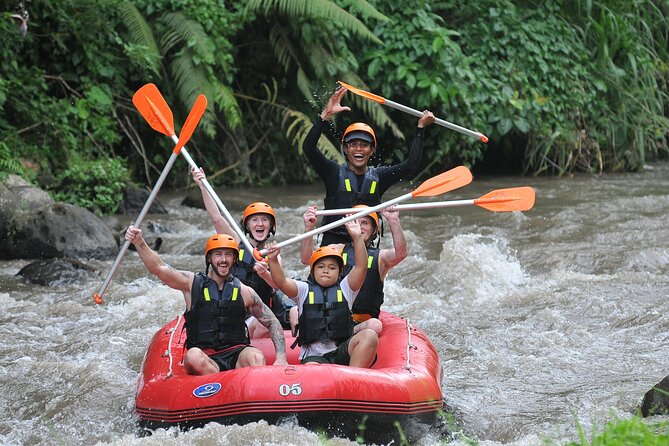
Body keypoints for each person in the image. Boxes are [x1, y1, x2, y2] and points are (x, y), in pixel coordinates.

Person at [125, 226, 288, 375]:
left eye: (228, 254)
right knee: (193, 356)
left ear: (234, 259)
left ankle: (246, 395)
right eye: (218, 254)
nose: (223, 259)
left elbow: (272, 321)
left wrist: (281, 357)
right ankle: (219, 391)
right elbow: (158, 268)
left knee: (256, 356)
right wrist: (140, 242)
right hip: (205, 357)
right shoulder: (191, 283)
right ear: (209, 258)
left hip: (236, 354)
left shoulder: (245, 292)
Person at [303, 86, 435, 245]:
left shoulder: (380, 176)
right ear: (345, 149)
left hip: (366, 244)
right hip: (334, 243)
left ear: (372, 150)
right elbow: (309, 148)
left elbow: (411, 166)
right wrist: (325, 115)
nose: (358, 148)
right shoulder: (333, 172)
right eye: (353, 144)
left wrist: (420, 129)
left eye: (364, 145)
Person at [191, 167, 297, 338]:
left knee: (290, 313)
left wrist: (264, 274)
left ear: (270, 227)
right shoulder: (235, 241)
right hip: (235, 307)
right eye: (255, 220)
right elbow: (216, 217)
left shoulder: (274, 253)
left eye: (264, 220)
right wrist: (203, 186)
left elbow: (277, 285)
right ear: (247, 225)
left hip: (262, 309)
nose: (260, 224)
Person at [265, 218, 378, 368]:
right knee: (313, 368)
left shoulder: (346, 288)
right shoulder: (303, 289)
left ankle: (353, 379)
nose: (326, 270)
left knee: (370, 335)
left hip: (340, 351)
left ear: (339, 273)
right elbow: (281, 282)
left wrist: (357, 238)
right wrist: (272, 260)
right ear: (312, 271)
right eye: (321, 267)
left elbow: (361, 267)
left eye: (332, 267)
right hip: (314, 356)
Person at [300, 205, 407, 335]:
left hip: (361, 323)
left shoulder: (381, 258)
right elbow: (306, 259)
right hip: (334, 317)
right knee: (296, 311)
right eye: (356, 221)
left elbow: (400, 254)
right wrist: (309, 228)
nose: (360, 226)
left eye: (365, 223)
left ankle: (344, 334)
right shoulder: (337, 250)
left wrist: (394, 221)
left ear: (374, 230)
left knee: (375, 325)